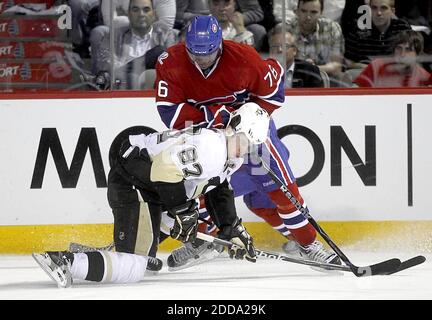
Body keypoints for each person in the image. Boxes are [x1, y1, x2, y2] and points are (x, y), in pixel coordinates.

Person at [155, 15, 341, 271]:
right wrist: (219, 117)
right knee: (196, 192)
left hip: (246, 137)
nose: (201, 60)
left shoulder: (243, 58)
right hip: (205, 139)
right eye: (195, 54)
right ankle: (207, 241)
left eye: (207, 53)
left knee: (277, 191)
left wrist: (251, 120)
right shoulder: (171, 61)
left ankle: (308, 244)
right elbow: (170, 114)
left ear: (219, 45)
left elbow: (274, 93)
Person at [32, 103, 269, 288]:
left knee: (171, 226)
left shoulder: (230, 156)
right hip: (133, 179)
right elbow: (164, 169)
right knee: (135, 266)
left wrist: (231, 228)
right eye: (243, 141)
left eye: (250, 145)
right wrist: (182, 210)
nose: (244, 149)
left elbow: (218, 189)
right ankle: (65, 261)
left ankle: (98, 254)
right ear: (231, 127)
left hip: (152, 186)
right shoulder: (211, 147)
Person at [90, 0, 177, 90]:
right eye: (135, 10)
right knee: (131, 77)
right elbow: (105, 65)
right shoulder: (114, 36)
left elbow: (173, 68)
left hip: (154, 90)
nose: (141, 14)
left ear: (154, 14)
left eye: (146, 10)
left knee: (159, 52)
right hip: (119, 88)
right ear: (129, 14)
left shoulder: (164, 36)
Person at [284, 0, 345, 81]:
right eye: (303, 11)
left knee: (340, 78)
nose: (308, 17)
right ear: (297, 11)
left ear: (321, 13)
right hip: (292, 79)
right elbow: (278, 66)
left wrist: (311, 68)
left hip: (324, 79)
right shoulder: (285, 30)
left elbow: (336, 67)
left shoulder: (332, 29)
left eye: (313, 12)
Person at [344, 0, 412, 70]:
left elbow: (411, 59)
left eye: (383, 8)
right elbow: (348, 63)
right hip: (364, 76)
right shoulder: (358, 29)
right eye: (374, 8)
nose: (378, 13)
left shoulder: (402, 27)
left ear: (392, 11)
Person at [354, 30, 432, 87]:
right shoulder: (377, 66)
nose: (402, 54)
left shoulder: (425, 77)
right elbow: (355, 90)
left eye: (408, 49)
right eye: (399, 48)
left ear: (417, 54)